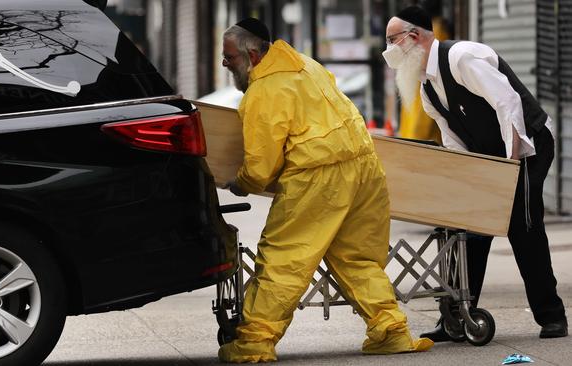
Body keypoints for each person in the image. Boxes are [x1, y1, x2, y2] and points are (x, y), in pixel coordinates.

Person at [219, 17, 433, 363]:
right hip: (363, 166)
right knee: (358, 257)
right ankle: (391, 331)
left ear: (254, 55)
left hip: (318, 175)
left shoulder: (264, 91)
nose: (225, 63)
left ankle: (254, 344)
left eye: (230, 57)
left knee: (283, 259)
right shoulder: (306, 64)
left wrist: (242, 183)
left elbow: (261, 165)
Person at [383, 6, 568, 341]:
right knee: (468, 231)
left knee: (523, 227)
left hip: (526, 147)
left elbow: (507, 103)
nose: (388, 50)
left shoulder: (461, 58)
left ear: (414, 38)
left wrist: (511, 165)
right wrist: (466, 183)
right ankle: (455, 319)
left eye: (391, 40)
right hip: (486, 157)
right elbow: (452, 139)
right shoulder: (426, 86)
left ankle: (552, 317)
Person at [398, 0, 449, 143]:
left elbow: (431, 84)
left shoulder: (434, 31)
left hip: (424, 140)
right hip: (414, 136)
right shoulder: (423, 31)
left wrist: (416, 140)